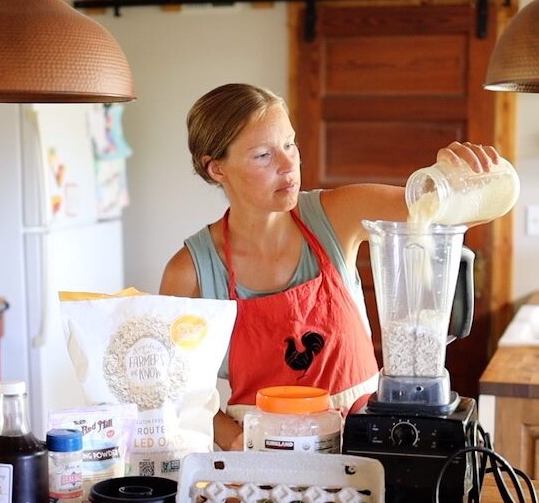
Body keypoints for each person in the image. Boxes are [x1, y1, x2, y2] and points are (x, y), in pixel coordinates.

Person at [160, 82, 500, 451]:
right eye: (263, 155)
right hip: (265, 456)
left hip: (369, 441)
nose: (289, 164)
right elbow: (174, 389)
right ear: (217, 169)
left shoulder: (338, 215)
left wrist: (460, 176)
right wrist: (237, 439)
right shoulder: (189, 272)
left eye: (290, 144)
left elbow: (441, 212)